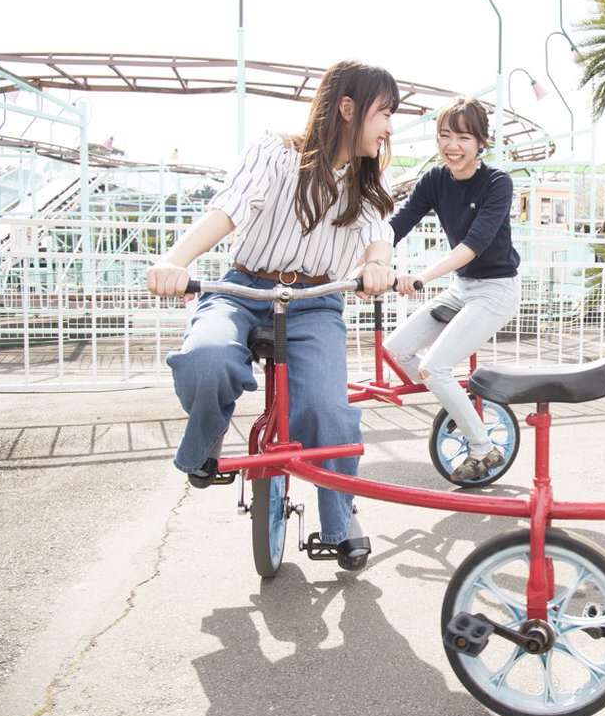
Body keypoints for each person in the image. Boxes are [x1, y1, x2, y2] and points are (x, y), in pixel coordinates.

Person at [146, 60, 399, 572]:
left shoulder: (365, 185)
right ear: (348, 109)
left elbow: (379, 242)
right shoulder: (276, 151)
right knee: (206, 358)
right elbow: (230, 208)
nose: (389, 126)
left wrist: (376, 267)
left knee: (326, 411)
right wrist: (177, 260)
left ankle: (341, 514)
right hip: (242, 288)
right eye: (384, 112)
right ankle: (207, 442)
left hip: (314, 303)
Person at [386, 97, 521, 484]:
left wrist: (421, 278)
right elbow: (399, 223)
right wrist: (371, 262)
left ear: (481, 141)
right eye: (445, 135)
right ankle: (459, 407)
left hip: (496, 291)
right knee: (397, 349)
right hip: (462, 288)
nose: (453, 146)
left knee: (435, 367)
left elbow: (473, 245)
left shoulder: (497, 183)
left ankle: (483, 448)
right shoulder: (435, 180)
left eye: (463, 136)